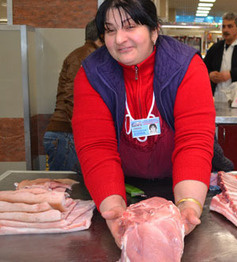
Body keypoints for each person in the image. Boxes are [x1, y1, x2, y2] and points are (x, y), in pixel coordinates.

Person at [72, 0, 215, 246]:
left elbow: (193, 141)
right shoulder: (92, 74)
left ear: (154, 30)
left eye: (129, 27)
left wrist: (189, 204)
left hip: (182, 183)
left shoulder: (185, 66)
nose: (119, 39)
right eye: (110, 30)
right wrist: (114, 208)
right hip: (119, 185)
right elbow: (97, 147)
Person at [43, 19, 102, 174]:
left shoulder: (85, 54)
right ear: (102, 36)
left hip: (64, 136)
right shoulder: (85, 57)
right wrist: (85, 133)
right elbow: (73, 98)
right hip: (66, 136)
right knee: (64, 191)